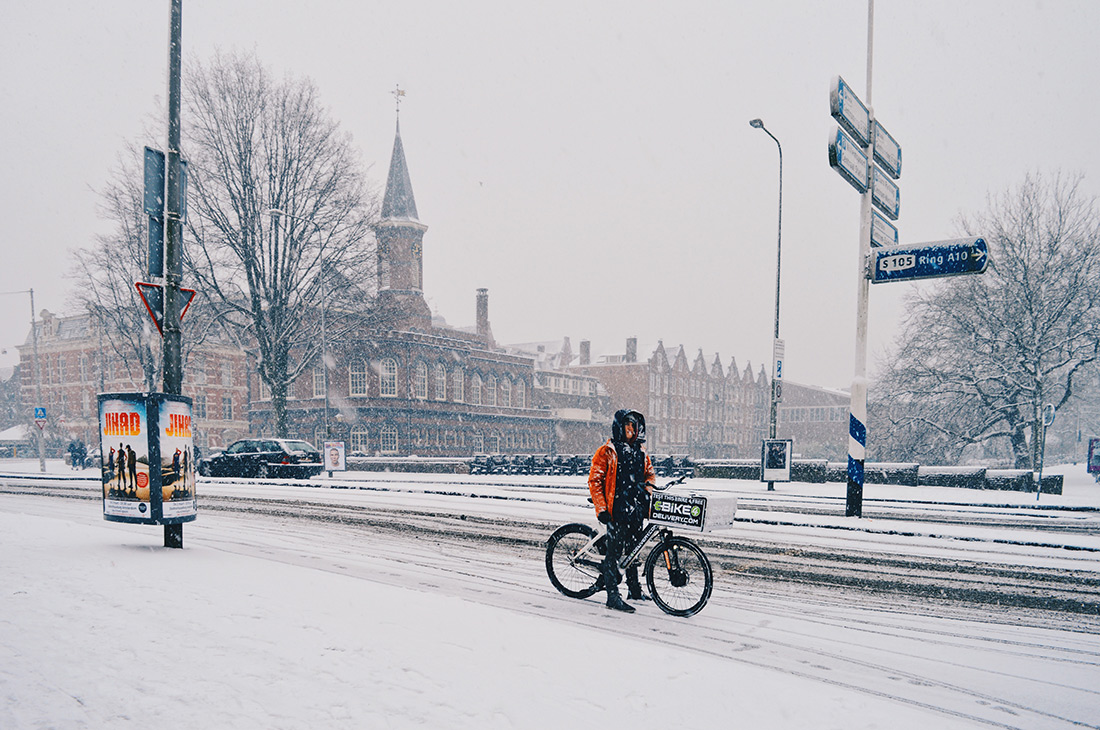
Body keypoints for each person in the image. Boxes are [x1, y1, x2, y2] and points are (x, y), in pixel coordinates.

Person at [588, 409, 657, 613]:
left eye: (634, 426)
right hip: (616, 509)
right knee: (614, 552)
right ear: (619, 427)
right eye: (627, 425)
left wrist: (647, 489)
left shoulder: (640, 451)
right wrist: (601, 509)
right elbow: (595, 481)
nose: (631, 429)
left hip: (635, 508)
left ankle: (634, 590)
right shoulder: (607, 451)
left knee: (633, 549)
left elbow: (650, 474)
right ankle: (612, 596)